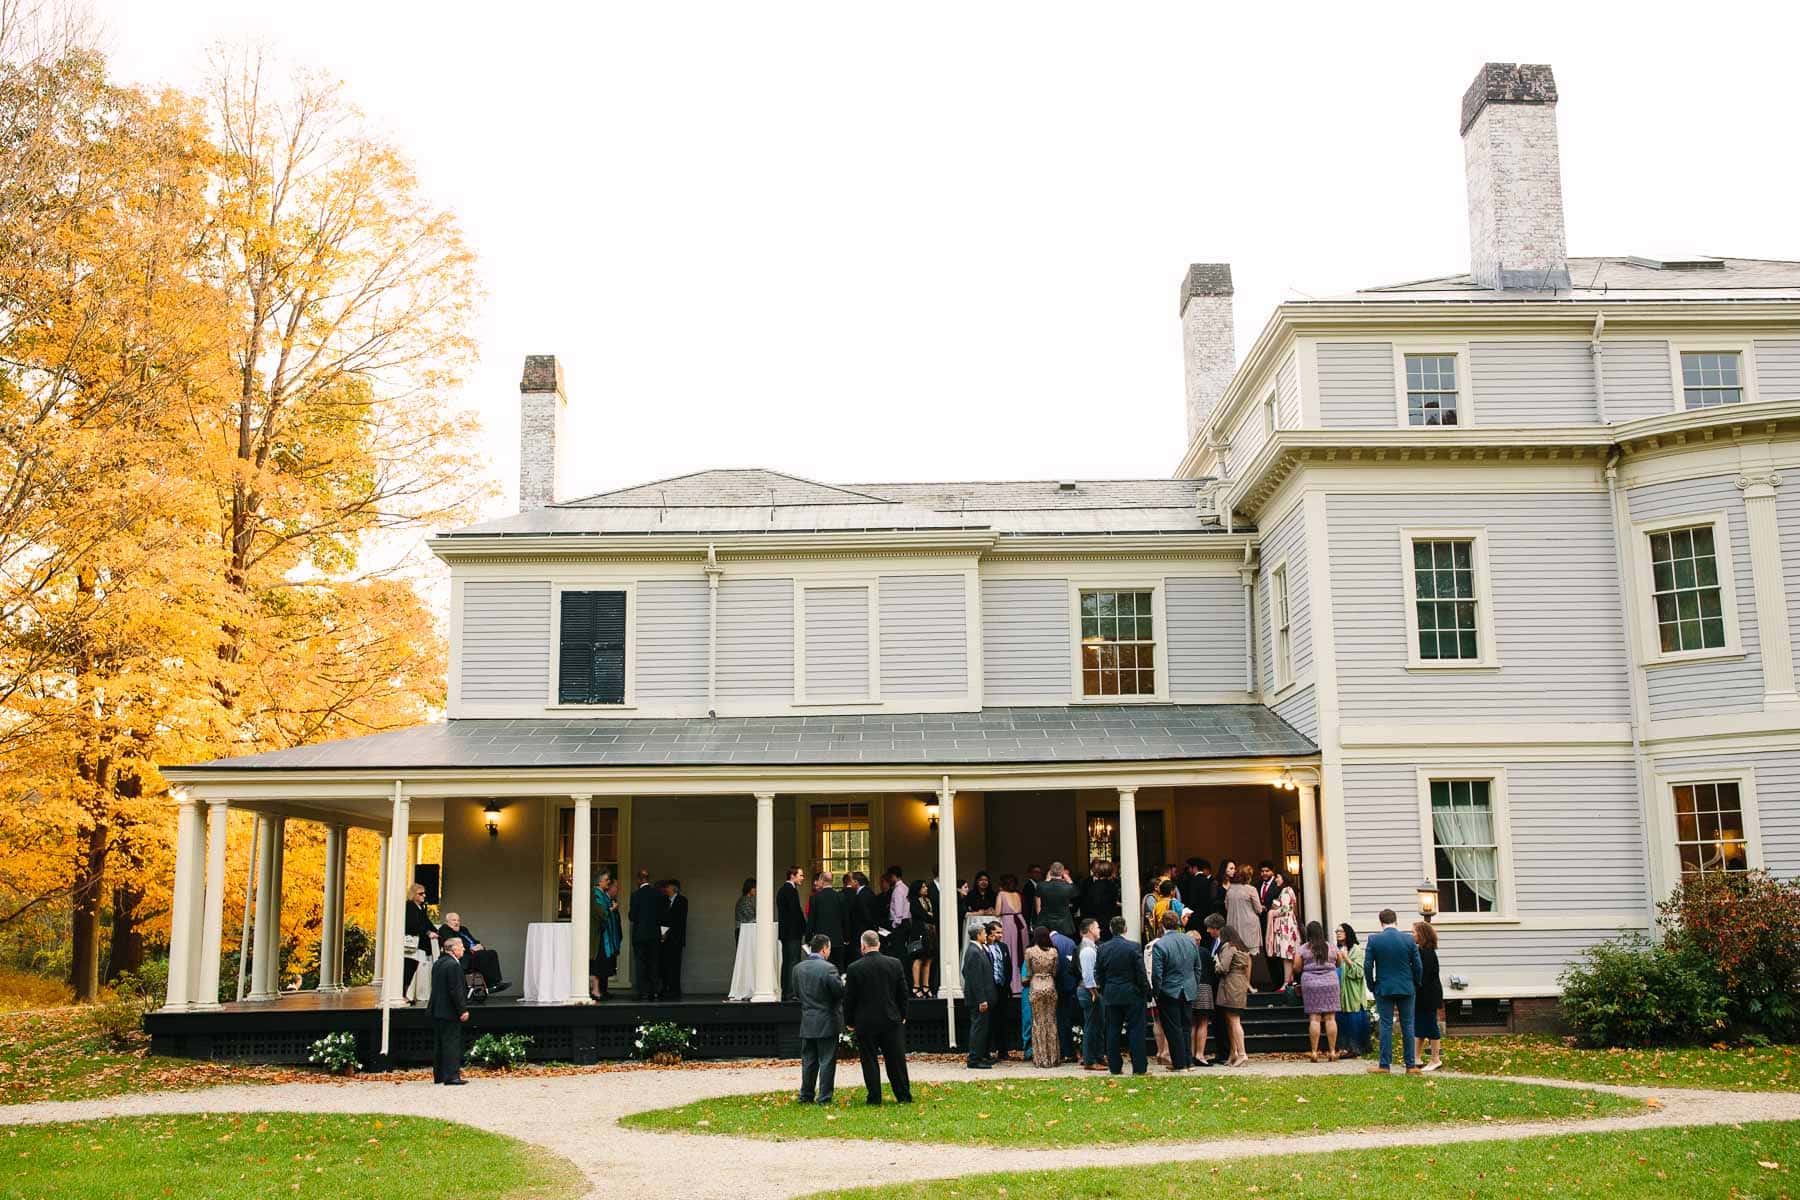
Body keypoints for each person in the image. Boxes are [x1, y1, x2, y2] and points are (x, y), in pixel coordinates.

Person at [844, 930, 913, 1103]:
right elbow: (903, 993)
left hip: (865, 1021)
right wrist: (902, 1014)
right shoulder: (894, 964)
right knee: (896, 1060)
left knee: (869, 1061)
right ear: (879, 944)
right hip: (891, 1019)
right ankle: (903, 1095)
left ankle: (874, 1096)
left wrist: (849, 1021)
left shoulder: (854, 968)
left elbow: (849, 998)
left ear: (863, 946)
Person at [1363, 908, 1423, 1074]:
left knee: (1386, 1024)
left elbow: (1368, 966)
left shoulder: (1374, 940)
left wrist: (1371, 985)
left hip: (1384, 986)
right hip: (1406, 986)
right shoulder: (1409, 940)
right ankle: (1410, 1065)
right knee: (1408, 1024)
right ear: (1396, 921)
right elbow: (1418, 965)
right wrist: (1416, 983)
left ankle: (1384, 1065)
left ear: (1380, 922)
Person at [1094, 915, 1149, 1075]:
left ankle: (1115, 1066)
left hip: (1112, 993)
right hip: (1132, 993)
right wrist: (1144, 990)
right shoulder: (1133, 947)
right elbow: (1140, 972)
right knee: (1136, 1030)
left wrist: (1104, 989)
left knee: (1112, 1031)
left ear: (1111, 930)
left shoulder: (1103, 948)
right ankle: (1139, 1067)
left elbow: (1099, 973)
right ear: (1125, 929)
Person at [793, 934, 844, 1104]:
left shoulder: (798, 969)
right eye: (829, 949)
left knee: (808, 1060)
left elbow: (797, 993)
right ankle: (824, 1096)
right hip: (826, 1020)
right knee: (827, 1061)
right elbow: (838, 992)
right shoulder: (829, 968)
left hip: (807, 1020)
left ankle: (806, 1095)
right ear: (824, 949)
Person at [1151, 910, 1202, 1071]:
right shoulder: (1190, 941)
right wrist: (1194, 984)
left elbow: (1157, 973)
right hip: (1188, 989)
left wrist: (1157, 992)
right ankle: (1189, 1061)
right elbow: (1197, 967)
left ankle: (1179, 1063)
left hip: (1168, 990)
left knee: (1173, 1028)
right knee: (1186, 1026)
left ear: (1162, 924)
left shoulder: (1160, 944)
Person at [1294, 920, 1341, 1061]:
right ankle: (1332, 1052)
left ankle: (1314, 1052)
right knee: (1330, 1018)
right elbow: (1339, 963)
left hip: (1311, 983)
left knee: (1314, 1018)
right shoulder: (1331, 947)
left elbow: (1297, 967)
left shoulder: (1303, 948)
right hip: (1330, 982)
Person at [429, 934, 469, 1085]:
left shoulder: (438, 963)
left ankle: (439, 1075)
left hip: (437, 1009)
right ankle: (452, 1076)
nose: (464, 949)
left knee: (439, 1043)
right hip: (449, 1011)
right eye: (461, 946)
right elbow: (455, 990)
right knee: (451, 1042)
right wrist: (462, 1010)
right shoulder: (453, 965)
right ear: (453, 949)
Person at [438, 912, 510, 995]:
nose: (456, 922)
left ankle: (496, 982)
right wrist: (470, 948)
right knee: (481, 955)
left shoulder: (463, 929)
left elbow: (473, 940)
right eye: (454, 920)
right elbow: (453, 944)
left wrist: (480, 946)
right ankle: (490, 984)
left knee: (492, 953)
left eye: (458, 920)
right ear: (447, 922)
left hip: (474, 953)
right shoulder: (444, 929)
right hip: (463, 956)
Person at [1213, 923, 1253, 1067]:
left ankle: (1241, 1053)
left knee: (1234, 1020)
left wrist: (1216, 964)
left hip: (1231, 984)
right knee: (1230, 1020)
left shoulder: (1229, 947)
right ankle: (1233, 1053)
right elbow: (1248, 967)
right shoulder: (1243, 948)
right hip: (1240, 982)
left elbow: (1223, 967)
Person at [960, 921, 997, 1069]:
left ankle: (980, 1055)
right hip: (978, 1000)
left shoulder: (979, 950)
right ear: (978, 935)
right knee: (978, 1028)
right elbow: (975, 978)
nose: (986, 935)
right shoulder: (973, 952)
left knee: (982, 1028)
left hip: (984, 997)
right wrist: (982, 999)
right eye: (983, 933)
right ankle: (974, 1059)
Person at [1023, 926, 1061, 1068]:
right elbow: (1055, 971)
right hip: (1050, 985)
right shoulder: (1054, 952)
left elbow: (1029, 971)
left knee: (1038, 1022)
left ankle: (1041, 1058)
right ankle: (1053, 1057)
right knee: (1051, 1021)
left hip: (1036, 985)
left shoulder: (1030, 951)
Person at [1191, 913, 1223, 1066]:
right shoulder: (1204, 952)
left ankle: (1190, 1053)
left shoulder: (1186, 952)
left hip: (1190, 989)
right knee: (1203, 1023)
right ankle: (1200, 1054)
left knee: (1192, 1023)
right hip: (1205, 988)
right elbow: (1211, 970)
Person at [1336, 923, 1372, 1059]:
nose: (1338, 933)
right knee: (1342, 1020)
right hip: (1341, 991)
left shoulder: (1356, 949)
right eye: (1337, 931)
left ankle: (1356, 1047)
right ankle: (1345, 1047)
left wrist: (1346, 958)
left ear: (1348, 933)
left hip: (1353, 991)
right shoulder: (1338, 948)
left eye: (1341, 931)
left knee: (1353, 1019)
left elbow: (1359, 971)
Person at [629, 869, 665, 1001]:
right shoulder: (658, 894)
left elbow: (632, 916)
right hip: (654, 935)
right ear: (648, 879)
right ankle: (654, 991)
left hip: (640, 935)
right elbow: (663, 915)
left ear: (639, 880)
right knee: (654, 963)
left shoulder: (635, 895)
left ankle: (643, 992)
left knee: (641, 964)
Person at [1221, 862, 1264, 973]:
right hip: (1248, 926)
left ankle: (1241, 982)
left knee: (1236, 955)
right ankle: (1246, 984)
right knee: (1247, 955)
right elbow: (1258, 909)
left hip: (1233, 924)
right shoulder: (1251, 889)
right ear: (1248, 876)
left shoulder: (1230, 890)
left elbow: (1226, 906)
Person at [1414, 921, 1445, 1072]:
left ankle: (1435, 1059)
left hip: (1428, 995)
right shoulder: (1422, 951)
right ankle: (1416, 1057)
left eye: (1414, 932)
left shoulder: (1426, 953)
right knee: (1419, 1025)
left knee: (1430, 1025)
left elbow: (1423, 976)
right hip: (1423, 994)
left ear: (1422, 935)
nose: (1412, 935)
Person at [983, 919, 1016, 1059]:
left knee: (1002, 1019)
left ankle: (1003, 1051)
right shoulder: (983, 948)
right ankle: (987, 1051)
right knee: (989, 1020)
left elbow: (1008, 966)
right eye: (997, 932)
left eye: (1001, 932)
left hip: (1002, 987)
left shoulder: (1003, 947)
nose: (1000, 935)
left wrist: (1008, 984)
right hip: (990, 988)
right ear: (990, 933)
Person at [804, 871, 849, 974]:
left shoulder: (815, 898)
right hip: (838, 939)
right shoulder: (840, 897)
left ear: (822, 881)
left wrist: (808, 939)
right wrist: (846, 937)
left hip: (820, 941)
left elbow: (811, 920)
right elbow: (845, 919)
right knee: (838, 968)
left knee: (820, 969)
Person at [1075, 917, 1104, 1071]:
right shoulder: (1087, 949)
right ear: (1091, 930)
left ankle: (1098, 1056)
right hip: (1089, 991)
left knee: (1098, 1024)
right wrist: (1093, 990)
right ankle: (1090, 1060)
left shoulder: (1091, 947)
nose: (1099, 930)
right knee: (1091, 1025)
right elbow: (1087, 973)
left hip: (1090, 989)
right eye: (1097, 927)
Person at [590, 872, 622, 1000]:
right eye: (606, 880)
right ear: (599, 882)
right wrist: (611, 909)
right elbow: (600, 912)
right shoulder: (595, 894)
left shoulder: (602, 894)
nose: (608, 882)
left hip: (605, 934)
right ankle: (596, 991)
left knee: (604, 963)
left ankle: (601, 990)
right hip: (599, 935)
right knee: (599, 963)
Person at [1266, 874, 1300, 992]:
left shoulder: (1285, 891)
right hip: (1290, 924)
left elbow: (1286, 908)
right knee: (1289, 954)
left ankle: (1286, 983)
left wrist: (1272, 912)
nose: (1276, 880)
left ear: (1284, 878)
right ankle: (1290, 980)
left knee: (1286, 954)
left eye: (1278, 877)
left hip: (1285, 925)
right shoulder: (1290, 890)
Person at [778, 866, 807, 1001]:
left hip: (786, 932)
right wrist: (805, 928)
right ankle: (790, 992)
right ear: (792, 876)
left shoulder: (783, 890)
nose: (802, 878)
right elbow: (795, 912)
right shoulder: (790, 891)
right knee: (793, 961)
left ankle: (786, 991)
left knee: (788, 961)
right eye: (800, 875)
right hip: (792, 932)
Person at [402, 883, 437, 994]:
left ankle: (410, 993)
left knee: (416, 966)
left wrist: (437, 932)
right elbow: (414, 924)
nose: (424, 896)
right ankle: (404, 993)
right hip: (411, 942)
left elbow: (426, 922)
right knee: (409, 966)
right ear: (413, 894)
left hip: (418, 943)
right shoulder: (410, 906)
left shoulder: (420, 907)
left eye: (424, 893)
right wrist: (427, 932)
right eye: (420, 894)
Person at [727, 878, 757, 1002]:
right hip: (743, 933)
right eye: (755, 888)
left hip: (745, 933)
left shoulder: (747, 900)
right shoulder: (745, 901)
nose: (756, 891)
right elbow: (751, 918)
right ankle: (744, 987)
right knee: (744, 959)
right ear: (750, 888)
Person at [908, 877, 937, 998]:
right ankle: (916, 986)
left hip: (930, 933)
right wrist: (929, 916)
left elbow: (933, 916)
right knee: (918, 958)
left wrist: (930, 917)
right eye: (923, 887)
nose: (926, 888)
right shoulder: (914, 901)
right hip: (919, 933)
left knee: (928, 959)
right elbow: (921, 915)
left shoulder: (929, 901)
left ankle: (926, 985)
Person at [659, 879, 688, 999]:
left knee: (675, 965)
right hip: (665, 939)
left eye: (668, 887)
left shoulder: (682, 901)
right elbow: (662, 917)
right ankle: (666, 988)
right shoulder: (665, 901)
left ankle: (675, 990)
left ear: (675, 888)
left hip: (676, 938)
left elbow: (678, 919)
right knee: (665, 965)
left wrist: (668, 931)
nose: (666, 889)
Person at [1034, 862, 1079, 938]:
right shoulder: (1069, 887)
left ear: (1050, 872)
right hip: (1064, 924)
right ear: (1062, 872)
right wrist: (1069, 879)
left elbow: (1038, 905)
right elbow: (1076, 892)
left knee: (1047, 946)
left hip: (1045, 922)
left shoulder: (1041, 885)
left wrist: (1047, 879)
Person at [884, 866, 910, 964]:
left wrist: (894, 924)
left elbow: (898, 910)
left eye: (890, 877)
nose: (889, 880)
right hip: (906, 921)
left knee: (898, 951)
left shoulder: (898, 890)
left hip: (899, 924)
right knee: (903, 949)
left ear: (894, 876)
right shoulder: (905, 887)